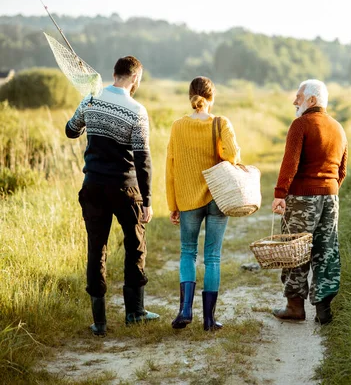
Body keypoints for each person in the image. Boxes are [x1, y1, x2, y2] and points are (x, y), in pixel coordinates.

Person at [66, 56, 160, 336]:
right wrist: (147, 201)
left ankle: (100, 322)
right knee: (135, 245)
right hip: (126, 188)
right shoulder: (136, 110)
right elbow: (143, 160)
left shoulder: (92, 98)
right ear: (135, 79)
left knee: (97, 249)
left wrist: (86, 114)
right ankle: (135, 312)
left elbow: (71, 131)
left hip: (93, 185)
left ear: (113, 74)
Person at [166, 76, 241, 330]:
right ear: (211, 97)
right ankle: (209, 319)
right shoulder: (221, 123)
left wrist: (172, 203)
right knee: (213, 257)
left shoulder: (177, 126)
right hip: (218, 196)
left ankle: (185, 310)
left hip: (188, 198)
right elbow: (232, 155)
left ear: (190, 97)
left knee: (188, 252)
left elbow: (171, 168)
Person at [271, 79, 348, 325]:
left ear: (312, 100)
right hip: (331, 197)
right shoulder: (338, 128)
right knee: (326, 251)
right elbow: (342, 170)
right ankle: (324, 310)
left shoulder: (300, 124)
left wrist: (280, 194)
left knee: (296, 250)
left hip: (302, 198)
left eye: (298, 96)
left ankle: (295, 307)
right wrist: (328, 191)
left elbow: (290, 164)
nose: (295, 101)